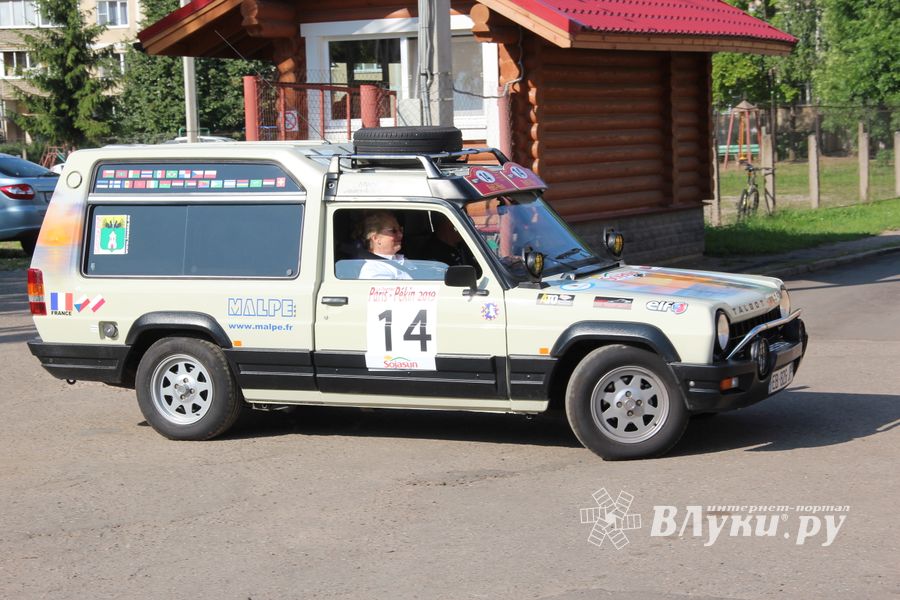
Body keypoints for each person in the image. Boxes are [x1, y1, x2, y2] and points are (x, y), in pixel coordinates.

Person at [357, 211, 413, 280]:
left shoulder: (402, 259)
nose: (400, 235)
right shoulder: (372, 270)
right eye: (393, 231)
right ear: (376, 238)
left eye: (400, 230)